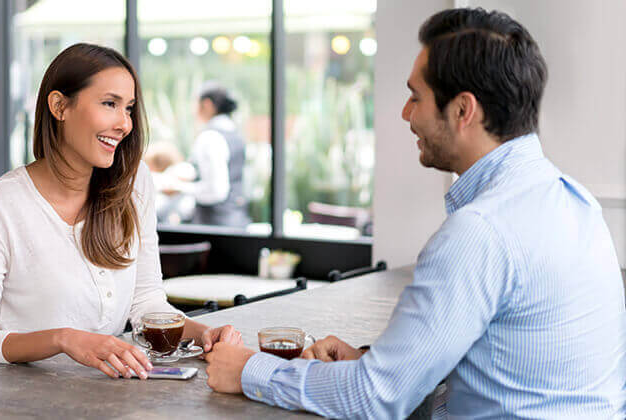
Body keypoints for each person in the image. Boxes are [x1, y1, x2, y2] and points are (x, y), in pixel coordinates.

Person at [204, 8, 626, 418]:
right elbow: (513, 366)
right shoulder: (575, 202)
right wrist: (380, 362)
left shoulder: (481, 231)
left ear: (463, 110)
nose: (406, 114)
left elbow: (375, 400)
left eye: (415, 96)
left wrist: (248, 370)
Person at [0, 44, 242, 380]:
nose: (125, 124)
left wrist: (201, 333)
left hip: (107, 397)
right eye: (109, 104)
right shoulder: (1, 203)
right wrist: (63, 339)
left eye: (129, 108)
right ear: (59, 106)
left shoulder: (134, 185)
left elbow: (146, 302)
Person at [169, 84, 251, 228]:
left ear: (207, 104)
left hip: (215, 226)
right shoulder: (235, 134)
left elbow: (216, 190)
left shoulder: (210, 137)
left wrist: (179, 187)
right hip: (237, 222)